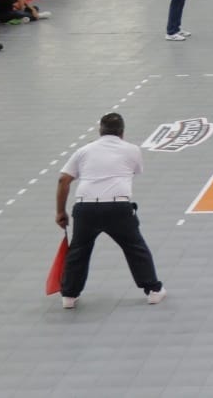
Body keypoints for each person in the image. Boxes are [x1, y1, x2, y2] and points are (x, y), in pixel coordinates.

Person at [55, 112, 166, 309]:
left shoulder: (84, 151)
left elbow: (63, 180)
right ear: (122, 132)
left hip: (86, 208)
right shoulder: (132, 150)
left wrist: (60, 212)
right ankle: (153, 291)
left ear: (100, 130)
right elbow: (135, 171)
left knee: (78, 251)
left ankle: (69, 296)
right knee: (135, 248)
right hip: (118, 207)